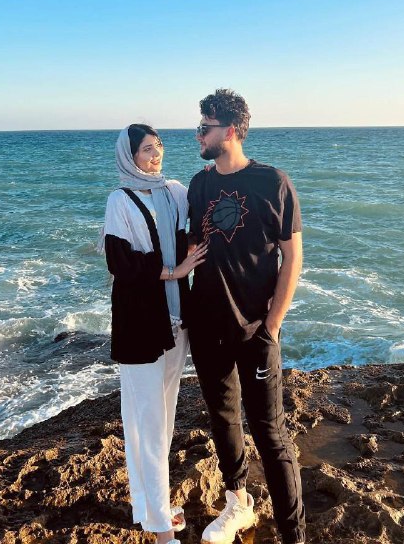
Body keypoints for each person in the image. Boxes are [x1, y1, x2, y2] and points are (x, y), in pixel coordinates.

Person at [187, 89, 305, 544]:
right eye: (199, 126)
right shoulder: (199, 185)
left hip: (255, 328)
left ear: (230, 131)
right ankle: (239, 503)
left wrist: (272, 324)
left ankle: (293, 534)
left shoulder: (273, 182)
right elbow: (193, 243)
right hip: (207, 325)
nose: (198, 134)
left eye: (205, 127)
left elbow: (293, 256)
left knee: (270, 433)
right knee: (222, 418)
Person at [102, 124, 207, 544]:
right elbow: (120, 263)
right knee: (145, 422)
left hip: (176, 321)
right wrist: (173, 271)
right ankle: (161, 529)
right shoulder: (120, 200)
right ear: (129, 156)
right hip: (140, 325)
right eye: (146, 149)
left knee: (163, 418)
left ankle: (153, 506)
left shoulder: (174, 191)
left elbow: (199, 220)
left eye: (158, 146)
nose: (155, 154)